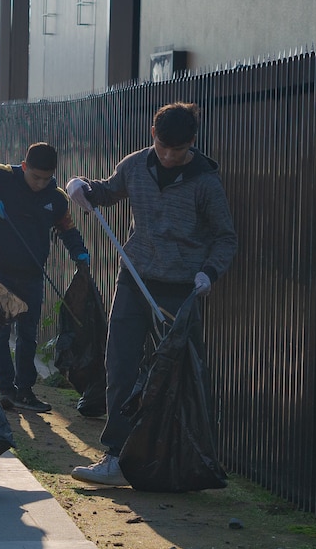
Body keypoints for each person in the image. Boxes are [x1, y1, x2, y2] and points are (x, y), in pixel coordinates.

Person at [66, 102, 237, 486]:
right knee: (120, 365)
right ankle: (116, 456)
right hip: (135, 278)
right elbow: (108, 192)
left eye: (177, 150)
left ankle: (181, 459)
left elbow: (226, 238)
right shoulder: (136, 165)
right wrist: (83, 188)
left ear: (192, 143)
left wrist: (209, 273)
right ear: (152, 135)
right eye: (163, 147)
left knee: (179, 373)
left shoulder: (205, 182)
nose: (169, 156)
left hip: (182, 288)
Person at [0, 142, 90, 413]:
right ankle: (5, 389)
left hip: (32, 275)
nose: (40, 183)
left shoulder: (55, 199)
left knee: (28, 335)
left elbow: (67, 230)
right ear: (24, 167)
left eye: (47, 178)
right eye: (35, 177)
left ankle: (26, 390)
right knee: (0, 331)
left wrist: (79, 254)